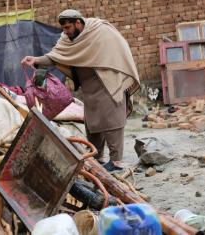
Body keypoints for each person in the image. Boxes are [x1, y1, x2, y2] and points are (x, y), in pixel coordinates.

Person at [21, 9, 140, 171]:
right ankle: (97, 157)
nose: (66, 32)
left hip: (108, 82)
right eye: (64, 29)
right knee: (92, 123)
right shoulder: (67, 38)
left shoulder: (100, 30)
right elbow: (56, 56)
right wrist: (36, 60)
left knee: (112, 121)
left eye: (68, 27)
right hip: (89, 87)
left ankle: (117, 161)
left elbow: (119, 49)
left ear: (78, 23)